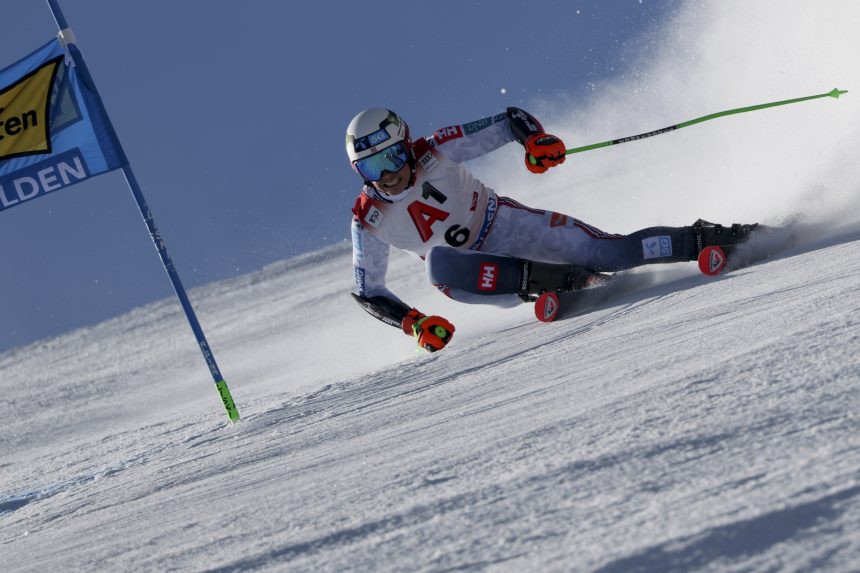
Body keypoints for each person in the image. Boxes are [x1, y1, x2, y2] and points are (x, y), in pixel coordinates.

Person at [347, 108, 757, 352]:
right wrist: (414, 322)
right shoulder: (369, 218)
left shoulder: (436, 148)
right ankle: (557, 283)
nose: (388, 175)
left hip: (507, 225)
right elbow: (369, 290)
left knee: (611, 254)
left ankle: (712, 239)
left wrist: (535, 141)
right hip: (476, 274)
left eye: (393, 157)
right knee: (438, 263)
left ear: (406, 142)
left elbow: (510, 120)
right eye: (372, 168)